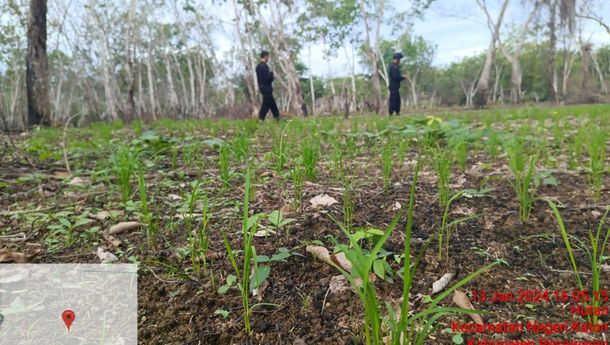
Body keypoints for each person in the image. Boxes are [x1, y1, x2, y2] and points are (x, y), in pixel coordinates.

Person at [256, 50, 280, 121]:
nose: (268, 58)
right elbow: (268, 78)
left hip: (262, 87)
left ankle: (277, 117)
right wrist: (272, 75)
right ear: (265, 56)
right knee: (266, 105)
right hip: (266, 88)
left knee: (272, 104)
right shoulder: (264, 66)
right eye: (268, 57)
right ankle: (261, 119)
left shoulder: (258, 67)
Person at [388, 52, 406, 116]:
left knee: (397, 100)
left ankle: (397, 112)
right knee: (393, 100)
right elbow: (395, 77)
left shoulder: (395, 66)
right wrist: (403, 77)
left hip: (396, 86)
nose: (400, 61)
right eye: (399, 59)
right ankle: (391, 113)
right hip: (393, 86)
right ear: (397, 59)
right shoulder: (393, 66)